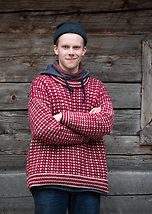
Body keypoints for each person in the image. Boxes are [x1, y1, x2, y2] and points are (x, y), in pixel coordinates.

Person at [26, 22, 114, 214]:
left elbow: (105, 124)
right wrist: (87, 133)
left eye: (76, 47)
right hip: (48, 175)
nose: (71, 52)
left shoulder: (97, 87)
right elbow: (44, 129)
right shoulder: (42, 83)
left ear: (84, 51)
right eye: (66, 47)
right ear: (56, 49)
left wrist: (64, 116)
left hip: (89, 175)